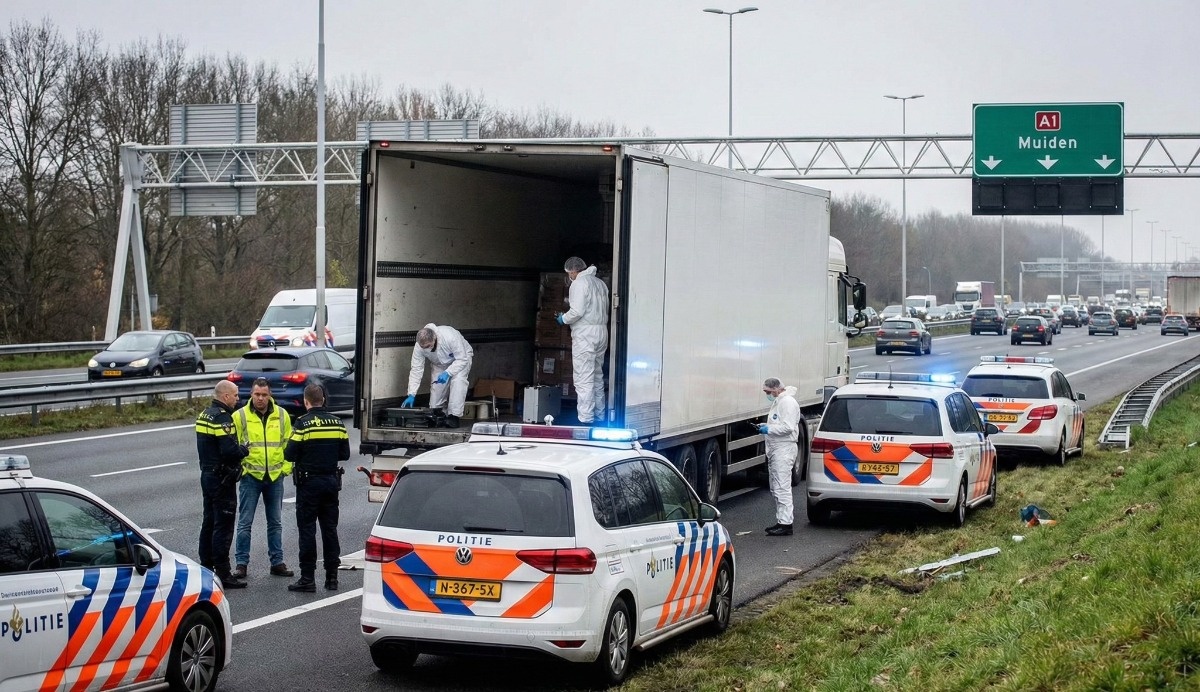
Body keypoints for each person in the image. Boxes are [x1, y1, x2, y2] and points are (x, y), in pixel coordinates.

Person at [285, 383, 351, 592]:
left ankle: (308, 578)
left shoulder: (303, 424)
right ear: (323, 400)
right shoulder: (337, 423)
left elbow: (289, 453)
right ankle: (332, 578)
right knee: (329, 530)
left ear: (306, 402)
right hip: (331, 483)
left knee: (307, 531)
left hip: (309, 484)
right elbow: (345, 454)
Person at [231, 377, 295, 580]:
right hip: (251, 476)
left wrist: (286, 468)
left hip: (275, 476)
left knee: (275, 522)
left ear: (270, 395)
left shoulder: (282, 415)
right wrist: (243, 469)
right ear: (251, 394)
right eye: (257, 394)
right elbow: (232, 446)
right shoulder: (240, 416)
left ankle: (277, 562)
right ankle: (241, 564)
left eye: (264, 395)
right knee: (245, 523)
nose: (260, 398)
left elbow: (289, 443)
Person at [195, 380, 249, 588]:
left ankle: (206, 566)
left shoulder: (205, 414)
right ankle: (224, 573)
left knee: (208, 523)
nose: (237, 399)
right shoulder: (222, 418)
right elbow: (229, 451)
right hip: (221, 479)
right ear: (225, 396)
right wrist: (243, 450)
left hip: (207, 475)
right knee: (223, 526)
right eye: (235, 395)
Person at [557, 256, 610, 424]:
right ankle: (600, 414)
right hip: (601, 331)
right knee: (597, 376)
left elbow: (577, 311)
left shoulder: (579, 284)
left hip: (585, 334)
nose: (569, 277)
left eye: (568, 273)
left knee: (583, 378)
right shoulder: (599, 283)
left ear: (573, 271)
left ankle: (586, 419)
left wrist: (563, 319)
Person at [401, 323, 474, 428]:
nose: (426, 349)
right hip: (439, 364)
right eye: (423, 347)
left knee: (458, 382)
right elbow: (416, 369)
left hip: (460, 358)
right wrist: (411, 393)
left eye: (428, 346)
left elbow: (462, 359)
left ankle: (454, 416)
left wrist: (448, 372)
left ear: (434, 338)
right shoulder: (419, 346)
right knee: (436, 392)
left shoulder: (450, 336)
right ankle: (440, 415)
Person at [758, 378, 801, 536]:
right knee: (776, 487)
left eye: (768, 392)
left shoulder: (787, 402)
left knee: (782, 487)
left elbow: (787, 427)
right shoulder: (780, 401)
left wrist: (768, 429)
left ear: (777, 389)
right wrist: (767, 427)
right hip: (778, 449)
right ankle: (781, 521)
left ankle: (785, 524)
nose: (768, 395)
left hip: (784, 448)